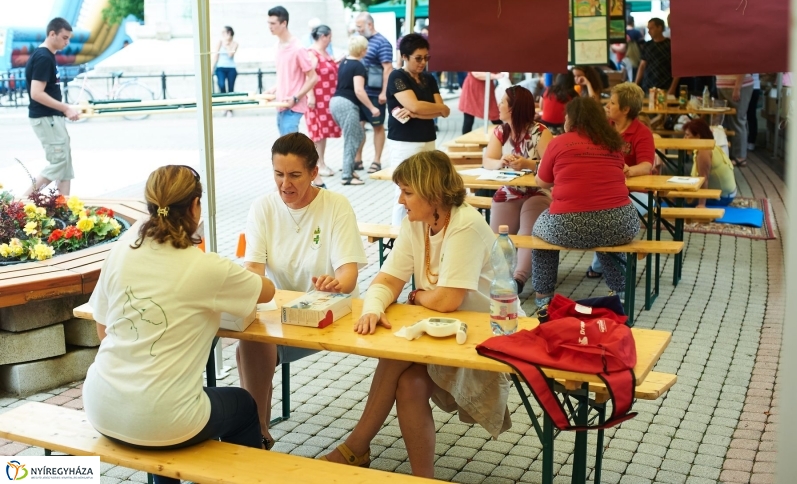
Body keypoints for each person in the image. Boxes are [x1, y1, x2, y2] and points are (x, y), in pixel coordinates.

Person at [320, 150, 516, 478]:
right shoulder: (420, 222)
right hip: (445, 334)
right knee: (407, 383)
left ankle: (356, 447)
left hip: (487, 338)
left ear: (434, 194)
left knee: (397, 356)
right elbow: (387, 278)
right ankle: (419, 476)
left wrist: (414, 295)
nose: (400, 200)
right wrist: (372, 308)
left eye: (407, 192)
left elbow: (447, 300)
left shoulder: (465, 223)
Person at [82, 166, 275, 484]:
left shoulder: (121, 250)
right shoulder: (205, 267)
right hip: (162, 420)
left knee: (166, 415)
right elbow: (266, 291)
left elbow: (104, 331)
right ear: (195, 206)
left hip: (100, 405)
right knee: (242, 404)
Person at [236, 133, 367, 449]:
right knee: (249, 340)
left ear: (314, 172)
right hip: (282, 315)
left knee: (252, 343)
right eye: (278, 174)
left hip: (330, 313)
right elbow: (253, 272)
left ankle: (253, 430)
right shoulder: (263, 208)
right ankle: (259, 433)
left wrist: (335, 284)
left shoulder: (336, 205)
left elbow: (347, 276)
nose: (285, 184)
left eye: (294, 175)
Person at [531, 97, 640, 312]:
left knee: (538, 233)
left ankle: (544, 297)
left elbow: (543, 181)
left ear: (571, 119)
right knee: (609, 236)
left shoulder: (559, 142)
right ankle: (622, 291)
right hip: (621, 223)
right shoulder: (613, 143)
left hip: (567, 225)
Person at [482, 85, 553, 292]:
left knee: (527, 231)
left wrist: (528, 164)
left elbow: (553, 167)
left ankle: (518, 280)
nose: (499, 105)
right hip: (509, 191)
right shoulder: (500, 131)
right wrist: (500, 162)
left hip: (538, 191)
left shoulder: (540, 132)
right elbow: (488, 160)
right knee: (497, 235)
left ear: (512, 108)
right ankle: (500, 278)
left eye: (502, 102)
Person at [587, 82, 655, 279]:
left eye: (612, 103)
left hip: (640, 193)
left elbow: (646, 166)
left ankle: (604, 266)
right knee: (599, 214)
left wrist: (628, 171)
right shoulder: (604, 129)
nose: (607, 106)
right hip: (608, 191)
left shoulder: (642, 133)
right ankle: (607, 265)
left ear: (625, 109)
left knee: (613, 217)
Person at [386, 33, 450, 225]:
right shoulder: (397, 77)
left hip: (428, 139)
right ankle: (399, 237)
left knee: (426, 189)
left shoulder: (429, 79)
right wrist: (425, 109)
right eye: (418, 58)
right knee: (404, 191)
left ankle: (422, 233)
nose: (423, 62)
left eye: (426, 58)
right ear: (405, 56)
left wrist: (419, 112)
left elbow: (445, 110)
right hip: (404, 141)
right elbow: (415, 106)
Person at [23, 17, 80, 197]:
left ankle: (63, 208)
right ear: (52, 34)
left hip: (51, 118)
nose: (67, 42)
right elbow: (36, 93)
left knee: (65, 164)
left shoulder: (47, 56)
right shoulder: (43, 57)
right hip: (46, 118)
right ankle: (20, 203)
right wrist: (65, 108)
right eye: (64, 37)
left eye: (68, 38)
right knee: (58, 162)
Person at [330, 35, 380, 186]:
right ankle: (346, 176)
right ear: (361, 49)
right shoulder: (358, 66)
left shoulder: (344, 62)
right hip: (347, 104)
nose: (367, 50)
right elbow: (359, 90)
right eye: (365, 47)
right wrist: (372, 108)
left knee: (357, 135)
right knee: (352, 139)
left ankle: (350, 169)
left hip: (335, 102)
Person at [266, 6, 318, 136]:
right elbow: (288, 76)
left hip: (293, 107)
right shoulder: (277, 47)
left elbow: (313, 78)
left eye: (273, 23)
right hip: (281, 105)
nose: (270, 27)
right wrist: (273, 89)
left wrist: (296, 98)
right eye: (268, 23)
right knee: (285, 149)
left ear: (284, 23)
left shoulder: (298, 48)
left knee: (289, 150)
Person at [354, 12, 393, 174]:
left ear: (369, 25)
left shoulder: (382, 43)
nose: (358, 30)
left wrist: (384, 92)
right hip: (360, 92)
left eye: (360, 26)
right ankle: (357, 159)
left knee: (378, 126)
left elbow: (388, 68)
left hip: (375, 93)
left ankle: (377, 160)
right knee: (359, 126)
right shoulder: (360, 42)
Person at [304, 24, 340, 187]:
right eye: (329, 36)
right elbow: (308, 76)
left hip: (327, 98)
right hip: (318, 98)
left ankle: (321, 162)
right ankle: (317, 164)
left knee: (323, 132)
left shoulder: (325, 53)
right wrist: (310, 95)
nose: (330, 39)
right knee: (317, 132)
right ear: (323, 36)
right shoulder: (312, 53)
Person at [683, 118, 737, 207]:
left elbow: (704, 179)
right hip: (727, 193)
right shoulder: (709, 145)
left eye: (687, 135)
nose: (684, 139)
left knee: (678, 200)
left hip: (723, 197)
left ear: (698, 136)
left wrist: (701, 205)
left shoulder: (703, 150)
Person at [715, 74, 755, 167]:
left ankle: (740, 156)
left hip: (738, 85)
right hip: (722, 84)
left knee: (738, 119)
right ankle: (729, 153)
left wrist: (737, 88)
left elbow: (743, 65)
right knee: (726, 120)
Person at [635, 18, 679, 97]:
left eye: (651, 28)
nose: (649, 31)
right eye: (648, 29)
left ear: (660, 28)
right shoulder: (647, 45)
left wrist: (672, 88)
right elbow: (642, 65)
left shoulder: (670, 45)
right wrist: (636, 84)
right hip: (648, 86)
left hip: (666, 86)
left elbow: (678, 68)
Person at [212, 26, 238, 117]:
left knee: (230, 89)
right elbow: (216, 55)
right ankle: (224, 106)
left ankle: (230, 109)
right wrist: (212, 68)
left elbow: (230, 54)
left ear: (229, 33)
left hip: (231, 68)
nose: (223, 35)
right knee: (221, 85)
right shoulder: (219, 42)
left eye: (224, 32)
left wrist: (227, 44)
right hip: (220, 68)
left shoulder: (234, 44)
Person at [747, 74, 761, 151]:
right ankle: (750, 141)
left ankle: (751, 141)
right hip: (753, 86)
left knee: (750, 115)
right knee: (750, 116)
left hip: (752, 87)